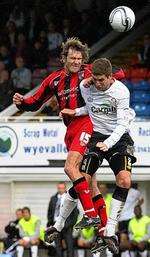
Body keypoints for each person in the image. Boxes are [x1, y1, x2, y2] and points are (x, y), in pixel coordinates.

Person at [13, 38, 106, 237]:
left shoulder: (89, 71)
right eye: (72, 58)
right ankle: (106, 232)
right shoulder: (54, 79)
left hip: (87, 124)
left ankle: (90, 214)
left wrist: (111, 78)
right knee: (90, 182)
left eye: (79, 58)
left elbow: (114, 74)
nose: (76, 62)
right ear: (64, 58)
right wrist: (22, 103)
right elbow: (35, 102)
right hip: (70, 130)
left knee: (70, 167)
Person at [60, 58, 136, 254]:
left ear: (111, 77)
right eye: (95, 79)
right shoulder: (87, 86)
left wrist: (108, 143)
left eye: (102, 80)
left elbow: (122, 125)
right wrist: (75, 111)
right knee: (82, 181)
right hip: (96, 137)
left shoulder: (121, 92)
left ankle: (110, 228)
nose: (98, 83)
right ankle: (61, 223)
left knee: (125, 180)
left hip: (118, 139)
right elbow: (91, 109)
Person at [47, 182, 78, 257]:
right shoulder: (53, 198)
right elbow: (50, 211)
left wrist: (70, 224)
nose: (61, 190)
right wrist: (51, 224)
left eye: (62, 188)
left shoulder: (70, 198)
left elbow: (75, 213)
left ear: (65, 188)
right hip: (56, 225)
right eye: (59, 188)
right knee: (58, 247)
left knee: (69, 246)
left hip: (67, 225)